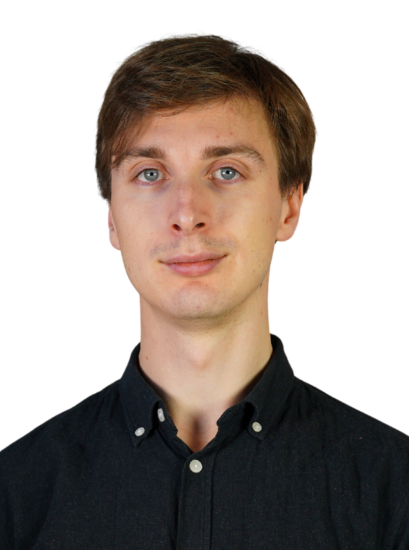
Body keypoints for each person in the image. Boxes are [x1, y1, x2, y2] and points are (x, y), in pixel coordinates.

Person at [0, 34, 408, 549]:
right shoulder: (17, 496)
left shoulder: (393, 493)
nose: (187, 213)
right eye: (150, 173)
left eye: (226, 171)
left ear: (289, 206)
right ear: (113, 219)